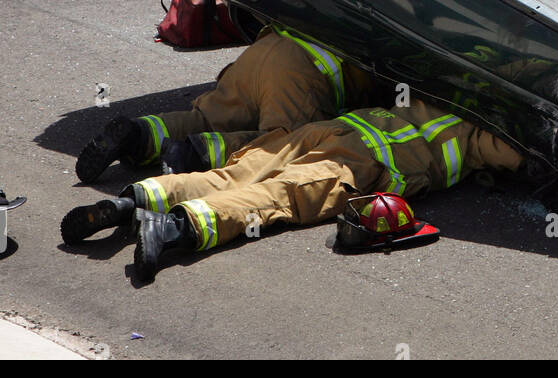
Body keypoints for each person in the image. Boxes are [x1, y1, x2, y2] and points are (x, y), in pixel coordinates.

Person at [61, 99, 526, 281]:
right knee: (274, 198)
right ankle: (172, 228)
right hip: (364, 164)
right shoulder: (486, 131)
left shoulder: (443, 87)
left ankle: (126, 203)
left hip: (335, 128)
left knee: (233, 175)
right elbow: (521, 153)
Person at [75, 26, 375, 182]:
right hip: (299, 72)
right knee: (282, 143)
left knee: (205, 117)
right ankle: (194, 154)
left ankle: (138, 133)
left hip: (263, 50)